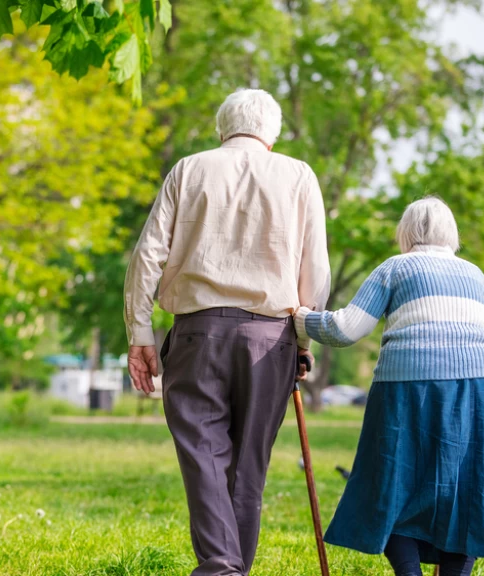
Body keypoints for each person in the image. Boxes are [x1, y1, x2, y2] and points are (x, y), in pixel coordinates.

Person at [124, 88, 330, 576]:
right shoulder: (298, 174)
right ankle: (227, 568)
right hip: (271, 337)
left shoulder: (189, 169)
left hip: (198, 334)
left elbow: (147, 255)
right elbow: (314, 270)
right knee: (248, 470)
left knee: (203, 457)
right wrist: (303, 341)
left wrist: (140, 333)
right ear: (272, 138)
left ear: (222, 129)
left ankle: (220, 567)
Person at [292, 197, 484, 576]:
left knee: (390, 484)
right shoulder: (475, 275)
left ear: (405, 233)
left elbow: (346, 329)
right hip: (478, 393)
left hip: (406, 389)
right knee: (466, 492)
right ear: (451, 235)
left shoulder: (395, 268)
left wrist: (301, 319)